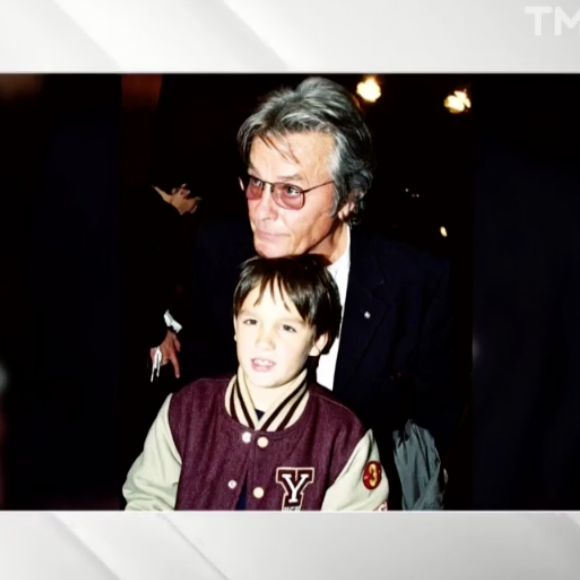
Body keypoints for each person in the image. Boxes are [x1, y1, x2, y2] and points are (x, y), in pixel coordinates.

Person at [154, 77, 461, 508]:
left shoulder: (417, 279)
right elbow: (207, 376)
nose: (262, 210)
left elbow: (438, 412)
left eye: (291, 190)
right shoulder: (221, 250)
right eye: (255, 183)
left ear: (348, 198)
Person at [124, 254, 389, 511]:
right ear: (236, 327)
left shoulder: (344, 436)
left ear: (318, 340)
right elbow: (148, 502)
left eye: (287, 327)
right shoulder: (186, 409)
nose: (263, 341)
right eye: (252, 321)